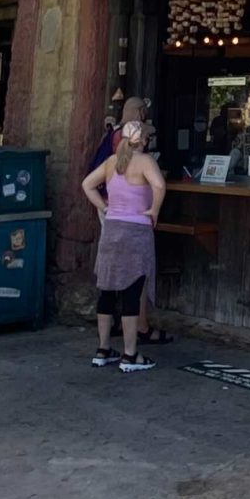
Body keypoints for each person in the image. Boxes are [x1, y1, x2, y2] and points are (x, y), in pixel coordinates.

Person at [82, 114, 165, 371]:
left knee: (106, 290)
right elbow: (160, 185)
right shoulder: (145, 161)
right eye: (148, 137)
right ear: (142, 141)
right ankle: (130, 355)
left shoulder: (111, 162)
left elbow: (87, 184)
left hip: (112, 230)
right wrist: (154, 210)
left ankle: (103, 349)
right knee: (131, 290)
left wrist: (104, 207)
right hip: (135, 232)